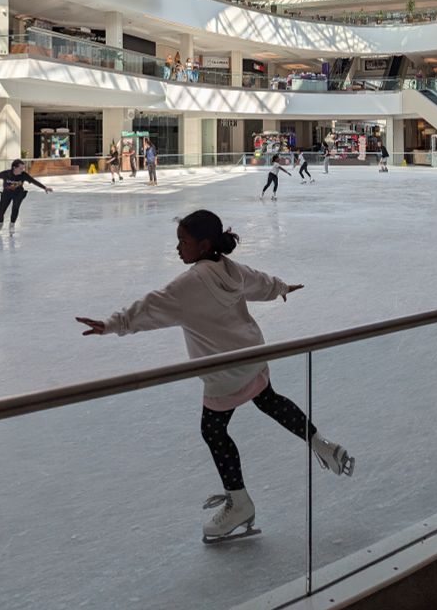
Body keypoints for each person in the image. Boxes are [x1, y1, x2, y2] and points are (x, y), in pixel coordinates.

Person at [76, 210, 353, 542]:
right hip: (251, 355)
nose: (178, 248)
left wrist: (111, 324)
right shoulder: (229, 268)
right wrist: (279, 286)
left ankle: (239, 502)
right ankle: (320, 443)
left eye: (184, 242)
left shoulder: (189, 284)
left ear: (204, 244)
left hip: (224, 371)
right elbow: (257, 281)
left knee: (213, 430)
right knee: (268, 400)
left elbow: (151, 306)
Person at [0, 158, 53, 235]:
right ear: (14, 167)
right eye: (21, 168)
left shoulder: (24, 175)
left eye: (23, 168)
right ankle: (0, 223)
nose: (23, 170)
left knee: (15, 208)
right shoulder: (6, 174)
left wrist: (45, 188)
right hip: (6, 194)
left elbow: (33, 181)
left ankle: (12, 225)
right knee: (0, 213)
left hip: (18, 194)